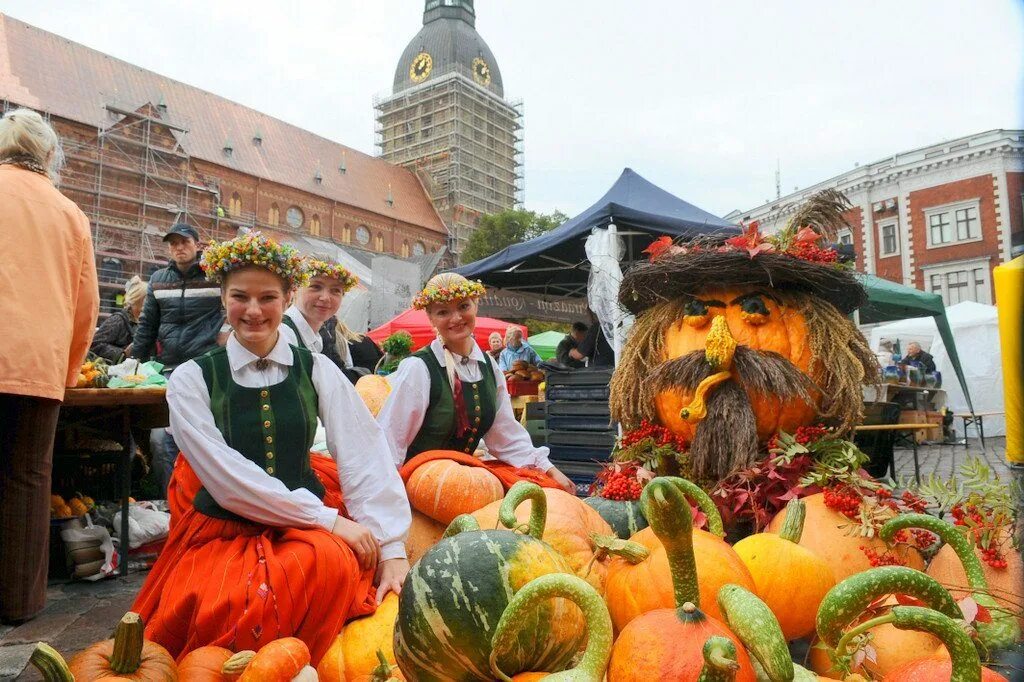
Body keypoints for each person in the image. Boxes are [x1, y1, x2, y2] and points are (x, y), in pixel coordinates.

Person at [132, 232, 410, 662]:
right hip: (224, 527)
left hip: (305, 530)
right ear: (223, 297)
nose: (255, 310)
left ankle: (293, 664)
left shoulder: (317, 369)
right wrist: (328, 520)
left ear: (287, 297)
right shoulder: (190, 379)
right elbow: (227, 482)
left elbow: (363, 453)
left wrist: (391, 547)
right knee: (221, 603)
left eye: (269, 297)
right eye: (240, 296)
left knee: (332, 565)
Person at [0, 108, 99, 624]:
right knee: (26, 479)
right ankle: (19, 602)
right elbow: (86, 306)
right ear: (48, 153)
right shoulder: (69, 213)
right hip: (36, 365)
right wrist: (69, 370)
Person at [377, 273, 575, 493]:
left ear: (476, 305)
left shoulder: (489, 366)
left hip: (464, 485)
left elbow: (507, 438)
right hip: (418, 487)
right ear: (431, 318)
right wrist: (387, 501)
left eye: (463, 306)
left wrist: (549, 470)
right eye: (443, 312)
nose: (456, 318)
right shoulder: (419, 368)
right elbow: (389, 444)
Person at [133, 222, 224, 494]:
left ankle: (204, 499)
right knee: (161, 439)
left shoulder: (215, 275)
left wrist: (226, 336)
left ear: (197, 244)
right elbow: (147, 324)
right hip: (169, 370)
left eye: (184, 242)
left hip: (206, 368)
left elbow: (233, 308)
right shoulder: (158, 279)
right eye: (173, 243)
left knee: (205, 435)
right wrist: (134, 365)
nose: (178, 247)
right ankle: (169, 501)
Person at [89, 276, 148, 362]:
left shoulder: (143, 322)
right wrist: (122, 353)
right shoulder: (118, 320)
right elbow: (95, 345)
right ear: (137, 299)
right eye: (147, 299)